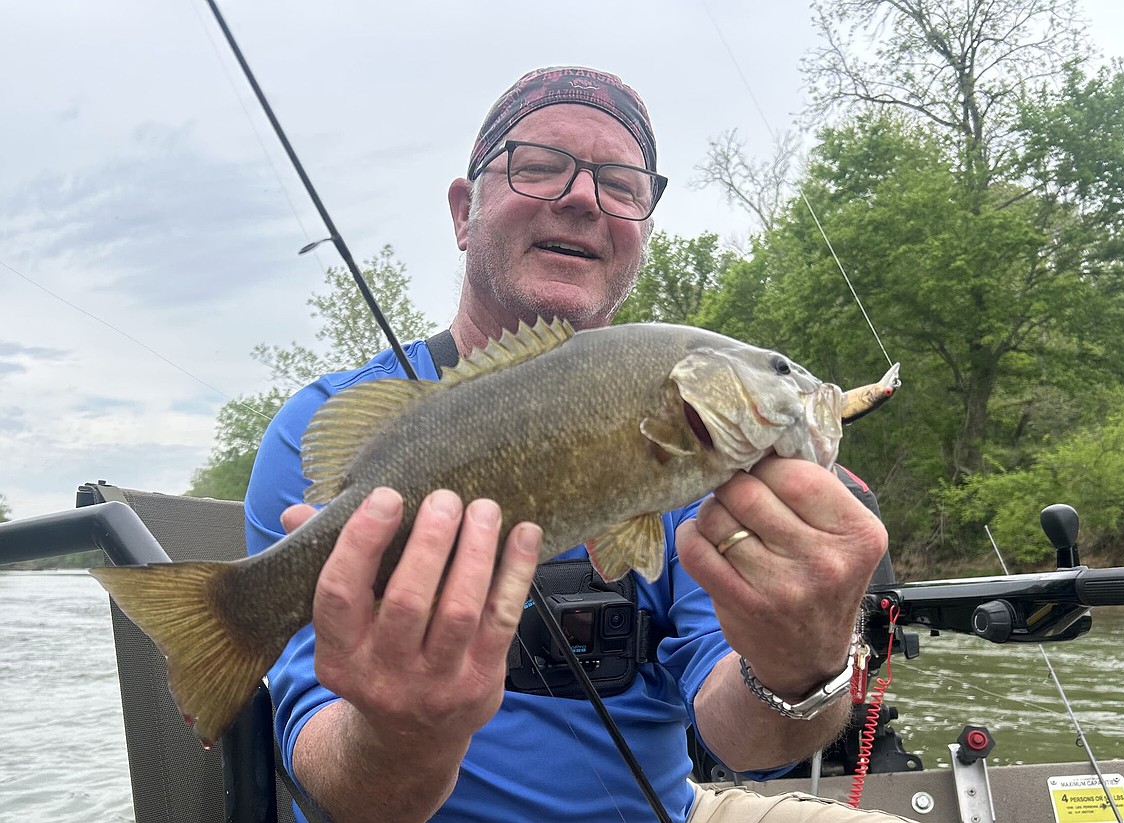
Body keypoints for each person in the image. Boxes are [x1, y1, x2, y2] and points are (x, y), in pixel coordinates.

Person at [246, 66, 911, 823]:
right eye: (537, 167)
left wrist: (805, 666)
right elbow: (329, 776)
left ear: (643, 232)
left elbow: (743, 737)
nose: (582, 197)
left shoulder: (703, 464)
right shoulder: (321, 422)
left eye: (622, 184)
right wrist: (406, 734)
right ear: (465, 213)